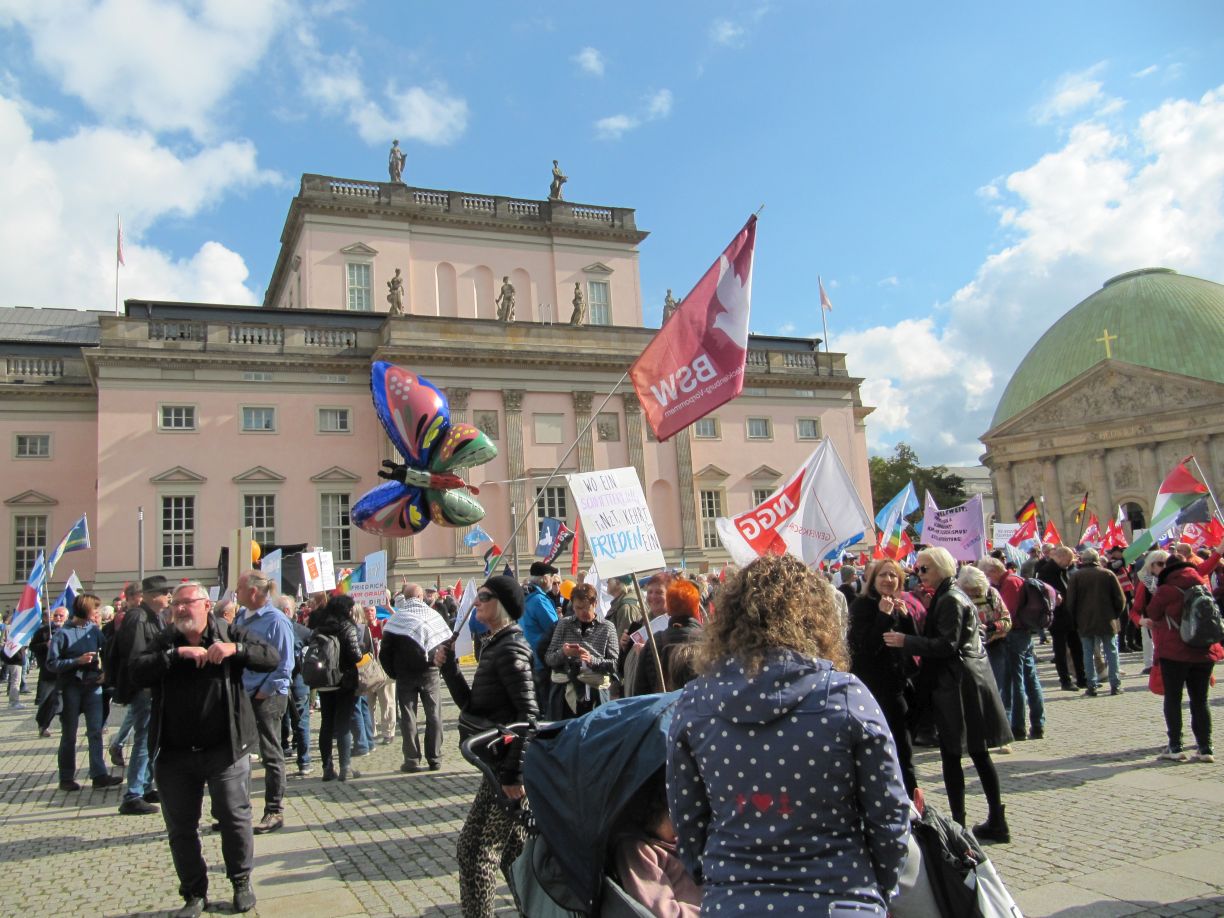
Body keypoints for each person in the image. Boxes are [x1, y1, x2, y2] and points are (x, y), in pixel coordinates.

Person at [668, 553, 909, 914]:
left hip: (734, 901)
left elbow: (687, 821)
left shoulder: (694, 703)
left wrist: (716, 878)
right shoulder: (845, 696)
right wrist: (876, 888)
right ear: (816, 618)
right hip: (839, 896)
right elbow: (889, 816)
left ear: (728, 621)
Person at [130, 580, 280, 918]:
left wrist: (235, 651)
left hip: (224, 750)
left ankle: (241, 883)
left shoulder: (230, 632)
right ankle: (194, 894)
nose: (180, 609)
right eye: (176, 604)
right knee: (182, 829)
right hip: (174, 754)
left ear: (205, 606)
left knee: (234, 818)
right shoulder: (166, 639)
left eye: (187, 603)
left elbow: (272, 657)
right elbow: (136, 672)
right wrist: (175, 655)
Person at [884, 547, 1011, 841]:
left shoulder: (951, 598)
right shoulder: (948, 595)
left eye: (924, 569)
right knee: (976, 753)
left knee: (956, 754)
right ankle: (992, 818)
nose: (918, 574)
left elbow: (946, 644)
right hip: (964, 680)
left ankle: (960, 824)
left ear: (940, 568)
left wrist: (907, 640)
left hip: (958, 685)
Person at [435, 575, 537, 918]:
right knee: (512, 852)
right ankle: (537, 906)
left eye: (484, 596)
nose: (476, 601)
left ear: (502, 605)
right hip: (496, 766)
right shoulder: (494, 645)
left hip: (508, 771)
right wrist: (449, 669)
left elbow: (529, 717)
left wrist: (514, 776)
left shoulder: (512, 649)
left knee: (477, 851)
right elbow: (473, 707)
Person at [1142, 549, 1222, 763]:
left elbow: (1153, 613)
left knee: (1173, 699)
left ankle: (1175, 746)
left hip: (1174, 651)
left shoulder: (1167, 589)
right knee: (1200, 700)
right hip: (1203, 650)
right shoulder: (1200, 585)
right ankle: (1205, 747)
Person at [848, 558, 920, 795]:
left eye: (894, 576)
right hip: (872, 688)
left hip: (898, 685)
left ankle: (911, 797)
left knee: (903, 747)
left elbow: (915, 644)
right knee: (880, 747)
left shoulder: (900, 605)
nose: (889, 580)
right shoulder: (862, 606)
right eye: (883, 575)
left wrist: (906, 618)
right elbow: (865, 648)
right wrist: (883, 617)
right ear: (872, 579)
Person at [233, 569, 295, 833]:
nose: (235, 593)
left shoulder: (275, 621)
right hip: (242, 694)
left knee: (270, 753)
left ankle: (274, 810)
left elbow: (285, 664)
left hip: (266, 696)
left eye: (239, 588)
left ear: (253, 592)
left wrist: (263, 691)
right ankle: (237, 811)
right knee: (238, 755)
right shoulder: (240, 617)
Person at [110, 574, 175, 815]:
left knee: (150, 738)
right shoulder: (138, 618)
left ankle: (146, 785)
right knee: (143, 739)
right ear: (148, 596)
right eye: (163, 592)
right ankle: (133, 794)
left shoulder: (154, 617)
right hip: (144, 688)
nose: (168, 596)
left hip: (151, 686)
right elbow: (136, 657)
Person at [46, 593, 123, 792]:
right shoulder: (62, 634)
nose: (97, 612)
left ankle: (99, 775)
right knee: (69, 734)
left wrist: (106, 672)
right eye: (94, 609)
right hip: (70, 686)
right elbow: (51, 664)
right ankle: (66, 777)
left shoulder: (93, 630)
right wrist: (75, 661)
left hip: (93, 686)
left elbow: (107, 652)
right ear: (84, 610)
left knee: (96, 731)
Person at [612, 770, 701, 917]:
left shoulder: (680, 837)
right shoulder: (638, 851)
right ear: (654, 814)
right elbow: (662, 911)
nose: (685, 825)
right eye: (676, 818)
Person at [381, 585, 449, 772]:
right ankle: (434, 757)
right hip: (430, 671)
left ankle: (411, 759)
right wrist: (441, 666)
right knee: (434, 714)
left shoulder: (396, 619)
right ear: (420, 596)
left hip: (405, 674)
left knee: (408, 716)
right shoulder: (433, 616)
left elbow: (384, 651)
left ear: (404, 597)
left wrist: (393, 672)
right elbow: (446, 642)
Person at [979, 557, 1046, 741]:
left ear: (993, 571)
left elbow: (1007, 612)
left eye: (985, 574)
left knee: (1017, 682)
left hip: (1015, 635)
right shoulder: (1015, 579)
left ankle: (1019, 727)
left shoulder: (1009, 583)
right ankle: (1037, 723)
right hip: (1023, 634)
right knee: (1030, 679)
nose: (986, 578)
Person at [309, 595, 364, 781]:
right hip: (344, 681)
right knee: (343, 725)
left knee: (326, 723)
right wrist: (363, 647)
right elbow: (356, 655)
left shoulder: (319, 626)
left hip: (324, 680)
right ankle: (345, 767)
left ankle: (327, 768)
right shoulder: (347, 626)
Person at [544, 583, 617, 718]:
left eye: (586, 607)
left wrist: (591, 660)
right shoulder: (564, 624)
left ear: (595, 603)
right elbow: (549, 658)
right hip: (565, 695)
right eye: (578, 608)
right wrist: (564, 653)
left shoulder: (607, 627)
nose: (582, 612)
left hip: (596, 694)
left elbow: (615, 664)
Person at [1065, 548, 1126, 697]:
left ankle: (1091, 686)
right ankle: (1115, 685)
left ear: (1083, 561)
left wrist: (1075, 620)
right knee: (1111, 652)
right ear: (1097, 560)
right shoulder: (1108, 574)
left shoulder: (1076, 577)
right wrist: (1114, 615)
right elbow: (1121, 599)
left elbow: (1070, 602)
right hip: (1107, 619)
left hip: (1085, 621)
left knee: (1088, 653)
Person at [632, 579, 703, 696]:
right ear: (696, 608)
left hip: (663, 710)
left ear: (669, 609)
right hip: (700, 710)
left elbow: (640, 693)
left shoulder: (654, 642)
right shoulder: (710, 641)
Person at [1037, 545, 1086, 690]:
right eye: (1068, 560)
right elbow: (1044, 591)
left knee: (1077, 647)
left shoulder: (1065, 570)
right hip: (1057, 616)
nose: (1070, 563)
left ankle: (1082, 678)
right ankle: (1065, 680)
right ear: (1061, 557)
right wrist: (1055, 595)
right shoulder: (1046, 571)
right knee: (1060, 650)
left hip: (1070, 615)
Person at [276, 595, 313, 778]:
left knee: (282, 718)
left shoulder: (273, 629)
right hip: (297, 681)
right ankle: (304, 761)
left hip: (282, 681)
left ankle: (283, 750)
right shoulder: (301, 630)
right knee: (301, 720)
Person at [520, 561, 559, 699]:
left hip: (529, 657)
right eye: (551, 576)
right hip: (541, 660)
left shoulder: (525, 597)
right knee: (547, 703)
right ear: (544, 578)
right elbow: (555, 628)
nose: (553, 579)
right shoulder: (539, 600)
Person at [31, 605, 69, 736]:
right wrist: (45, 645)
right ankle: (43, 725)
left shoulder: (69, 630)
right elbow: (33, 647)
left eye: (61, 615)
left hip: (65, 672)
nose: (58, 618)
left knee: (67, 701)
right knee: (48, 700)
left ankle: (66, 725)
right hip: (49, 672)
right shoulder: (44, 631)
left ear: (66, 618)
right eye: (56, 615)